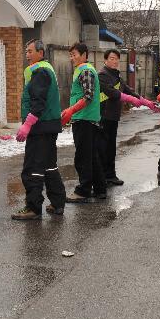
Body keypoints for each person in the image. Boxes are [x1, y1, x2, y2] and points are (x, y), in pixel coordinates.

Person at [11, 39, 65, 220]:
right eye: (26, 52)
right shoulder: (46, 69)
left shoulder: (40, 71)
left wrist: (27, 125)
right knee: (49, 166)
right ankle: (58, 204)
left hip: (40, 127)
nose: (27, 55)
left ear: (41, 53)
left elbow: (38, 102)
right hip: (49, 126)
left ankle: (33, 208)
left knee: (33, 168)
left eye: (30, 51)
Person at [98, 49, 159, 185]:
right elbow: (113, 93)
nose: (115, 61)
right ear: (105, 60)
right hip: (104, 116)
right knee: (104, 147)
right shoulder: (102, 75)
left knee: (111, 147)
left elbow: (128, 90)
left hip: (113, 116)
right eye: (112, 58)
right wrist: (132, 100)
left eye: (117, 59)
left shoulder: (117, 76)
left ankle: (110, 175)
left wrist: (146, 102)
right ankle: (102, 177)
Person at [61, 42, 106, 204]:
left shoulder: (85, 70)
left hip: (84, 119)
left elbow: (88, 96)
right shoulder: (84, 70)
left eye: (75, 54)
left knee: (83, 157)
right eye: (71, 55)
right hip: (87, 118)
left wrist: (71, 110)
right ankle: (100, 189)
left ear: (85, 54)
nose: (72, 58)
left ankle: (84, 190)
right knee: (92, 156)